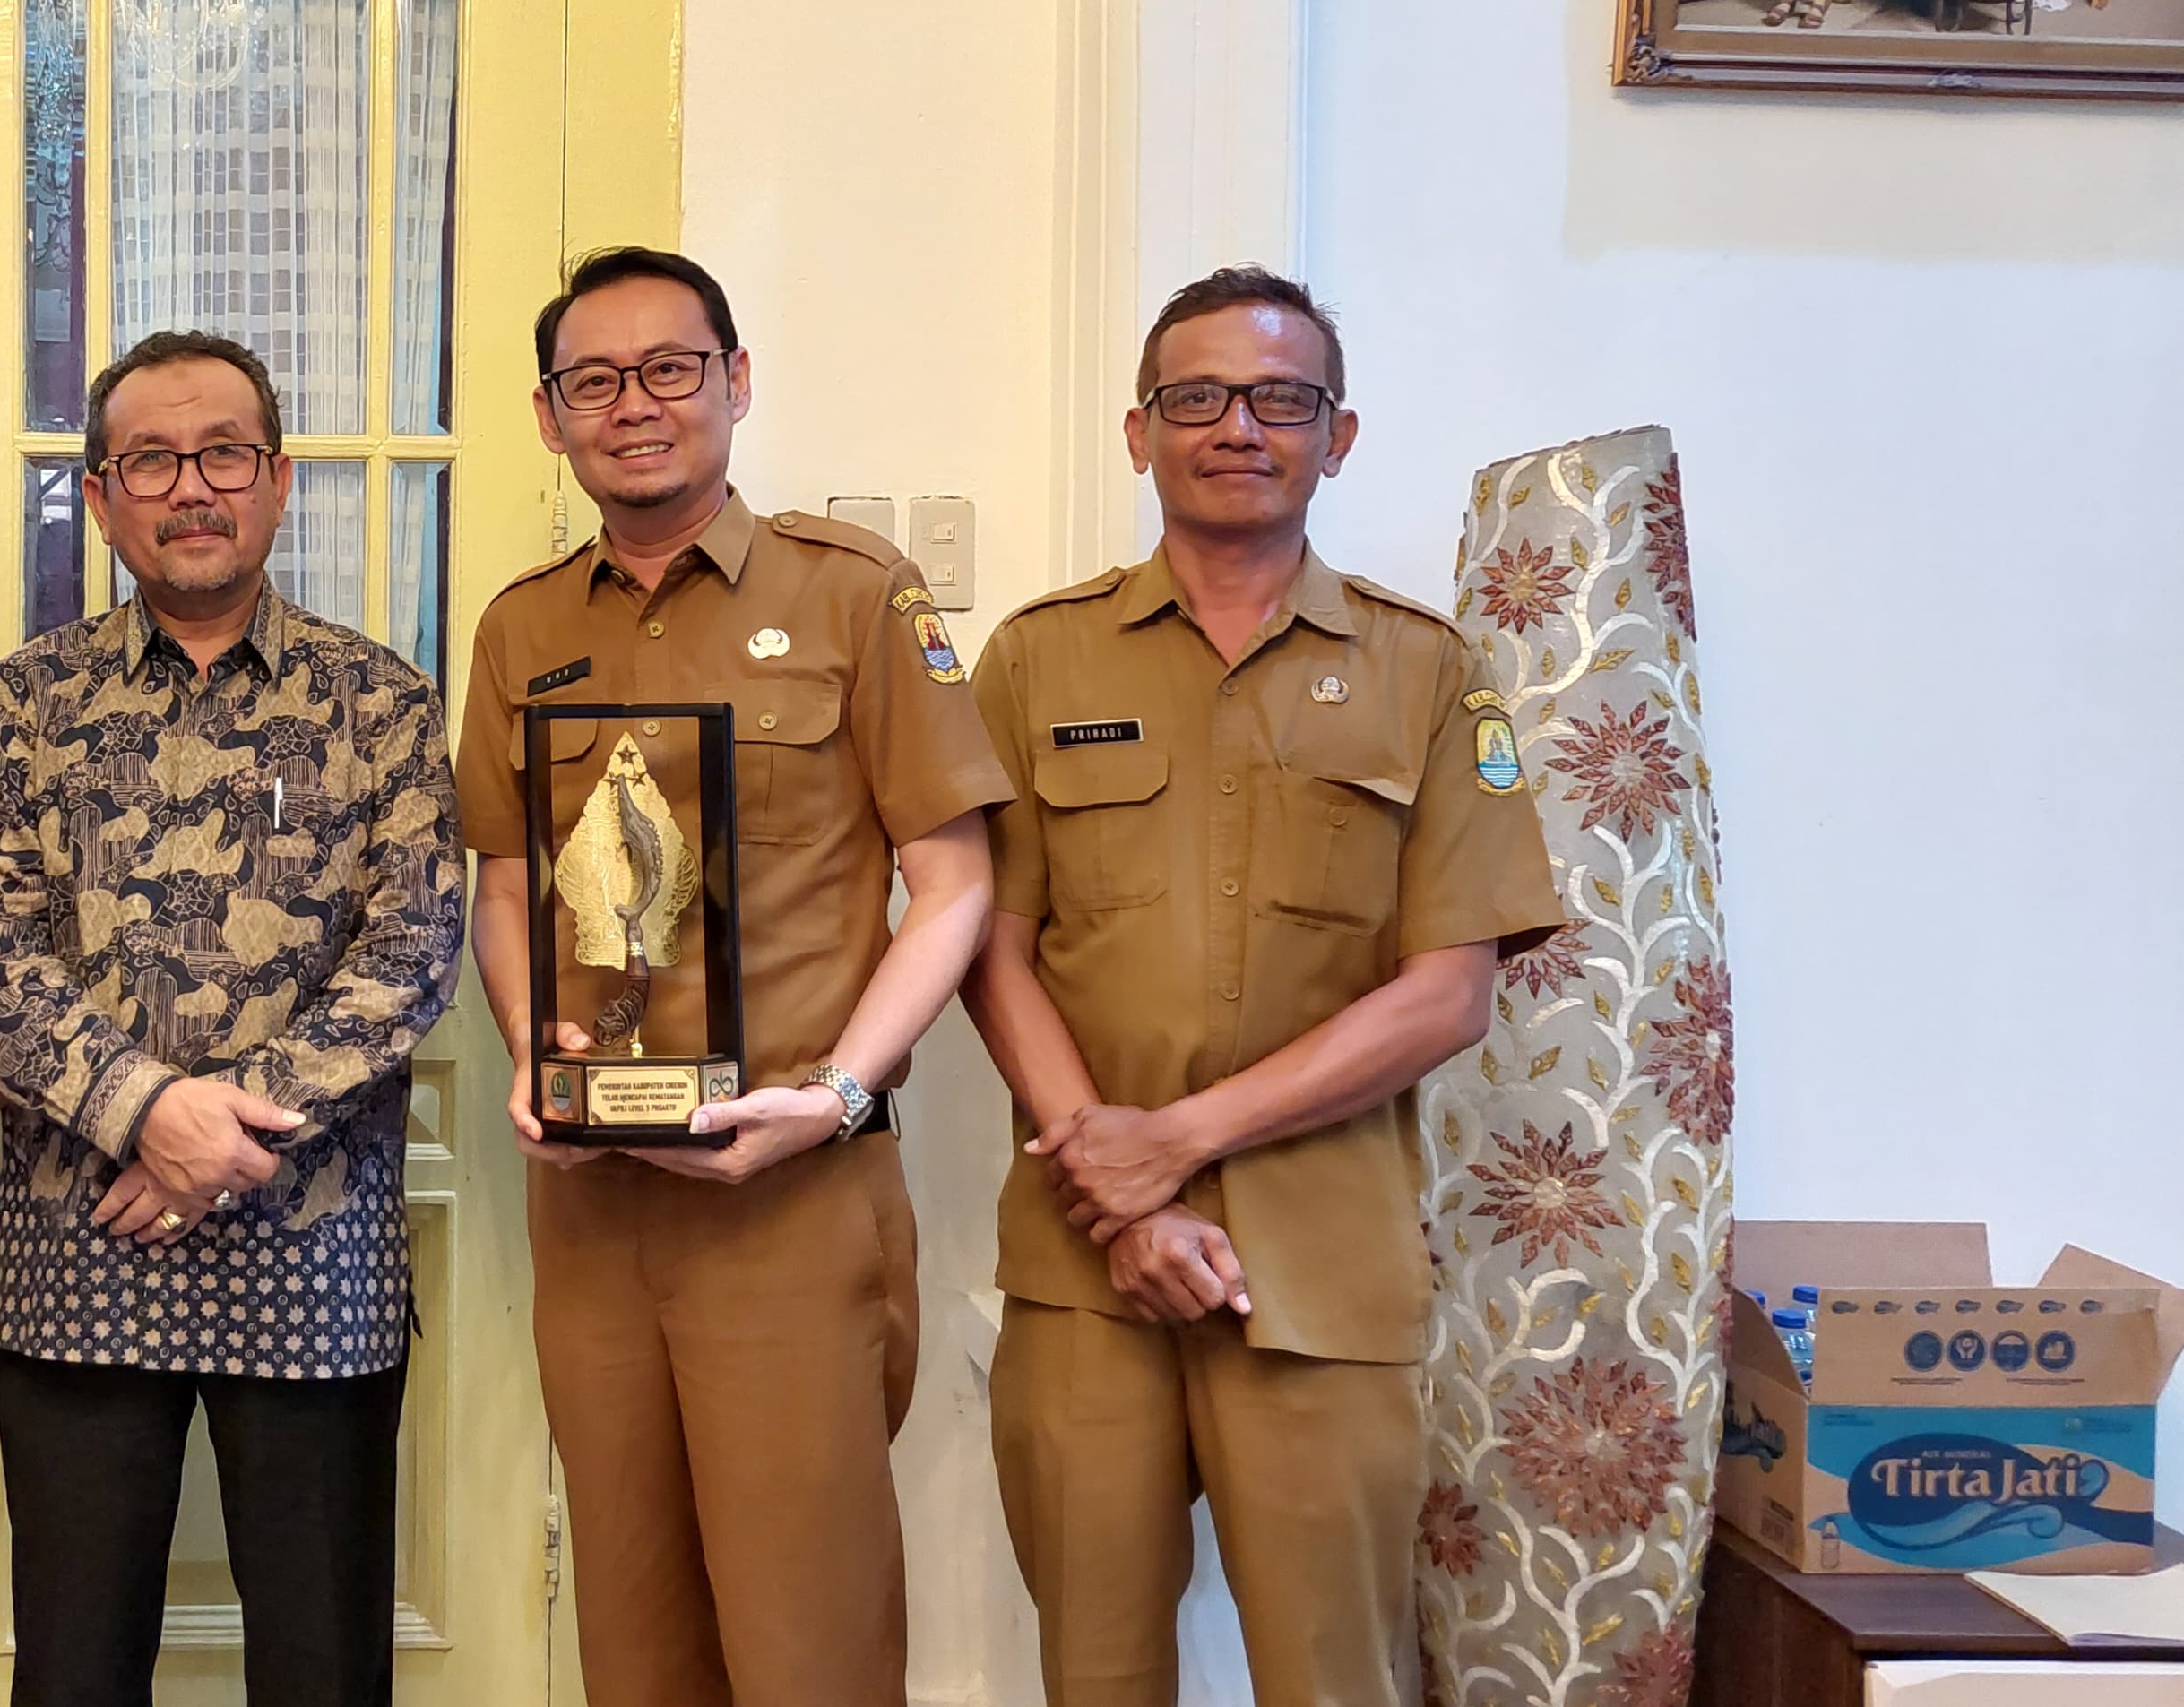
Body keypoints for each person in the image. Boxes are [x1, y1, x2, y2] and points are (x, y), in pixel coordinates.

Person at [962, 265, 1565, 1707]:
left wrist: (1175, 1142)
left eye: (1281, 398)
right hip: (1084, 1269)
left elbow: (1446, 994)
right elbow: (989, 945)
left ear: (1337, 435)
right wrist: (1127, 1195)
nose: (1239, 425)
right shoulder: (1037, 658)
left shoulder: (1430, 671)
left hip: (1327, 1271)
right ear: (1139, 429)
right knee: (1094, 1675)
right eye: (1198, 397)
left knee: (1334, 1678)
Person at [457, 246, 1010, 1707]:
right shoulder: (522, 627)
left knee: (805, 1638)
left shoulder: (853, 596)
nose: (633, 405)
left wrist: (837, 1094)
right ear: (550, 412)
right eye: (594, 379)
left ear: (736, 381)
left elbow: (953, 885)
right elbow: (508, 881)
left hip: (791, 1201)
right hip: (593, 1208)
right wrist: (529, 1050)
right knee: (634, 1636)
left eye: (669, 368)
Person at [0, 330, 464, 1707]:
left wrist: (225, 1136)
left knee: (322, 1663)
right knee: (74, 1660)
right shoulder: (27, 700)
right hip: (81, 1232)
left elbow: (411, 949)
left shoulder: (380, 699)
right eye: (151, 460)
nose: (191, 488)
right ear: (101, 496)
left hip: (311, 1241)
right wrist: (142, 1112)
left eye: (223, 452)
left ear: (279, 480)